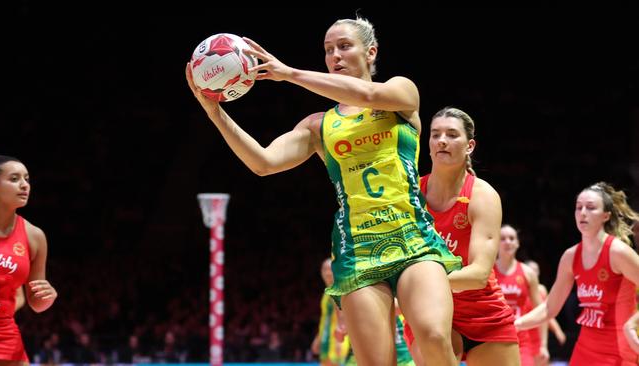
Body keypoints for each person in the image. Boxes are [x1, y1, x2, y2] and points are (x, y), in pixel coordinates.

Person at [186, 16, 462, 365]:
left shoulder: (401, 93)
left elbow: (365, 93)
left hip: (413, 238)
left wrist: (289, 74)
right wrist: (214, 111)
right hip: (358, 249)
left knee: (435, 337)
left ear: (371, 51)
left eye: (345, 46)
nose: (335, 55)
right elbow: (263, 162)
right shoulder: (320, 125)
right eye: (329, 50)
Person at [403, 107, 520, 366]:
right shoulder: (410, 195)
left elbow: (478, 275)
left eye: (452, 134)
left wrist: (424, 282)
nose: (442, 140)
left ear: (469, 146)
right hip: (430, 310)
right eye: (435, 135)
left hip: (484, 313)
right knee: (433, 336)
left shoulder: (483, 196)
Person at [515, 182, 639, 365]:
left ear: (606, 215)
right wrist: (515, 324)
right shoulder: (570, 257)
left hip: (619, 351)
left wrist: (633, 323)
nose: (582, 213)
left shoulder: (618, 252)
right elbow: (550, 307)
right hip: (585, 348)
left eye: (590, 208)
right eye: (578, 207)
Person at [0, 154, 58, 364]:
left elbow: (36, 303)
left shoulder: (34, 236)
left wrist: (47, 297)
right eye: (14, 179)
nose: (24, 185)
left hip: (4, 335)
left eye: (26, 179)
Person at [495, 224, 547, 366]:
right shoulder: (488, 272)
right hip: (492, 340)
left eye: (512, 238)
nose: (508, 242)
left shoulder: (527, 273)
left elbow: (542, 310)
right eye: (503, 238)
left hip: (521, 340)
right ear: (495, 242)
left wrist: (543, 345)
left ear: (517, 243)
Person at [524, 258, 567, 365]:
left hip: (539, 334)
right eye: (531, 270)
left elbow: (547, 312)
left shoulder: (542, 289)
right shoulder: (520, 288)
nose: (534, 273)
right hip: (523, 334)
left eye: (536, 270)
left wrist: (558, 330)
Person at [311, 258, 350, 366]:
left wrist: (340, 341)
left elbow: (345, 317)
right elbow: (325, 318)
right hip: (326, 339)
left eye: (330, 269)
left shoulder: (340, 290)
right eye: (324, 269)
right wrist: (319, 338)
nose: (327, 273)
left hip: (338, 341)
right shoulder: (327, 293)